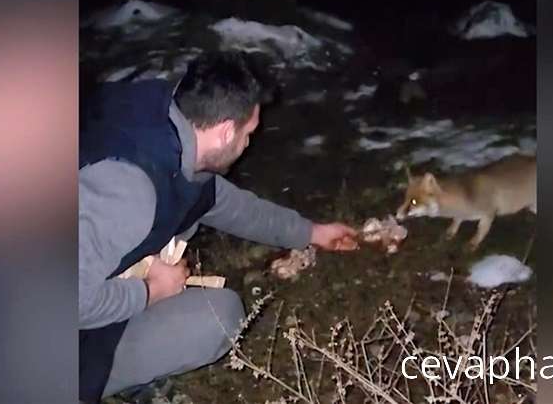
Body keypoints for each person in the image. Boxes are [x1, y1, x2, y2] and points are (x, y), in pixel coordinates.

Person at [78, 51, 358, 402]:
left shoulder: (169, 132)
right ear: (226, 132)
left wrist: (312, 233)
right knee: (217, 320)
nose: (248, 143)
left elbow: (229, 206)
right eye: (249, 133)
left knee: (220, 310)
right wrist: (150, 292)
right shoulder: (128, 187)